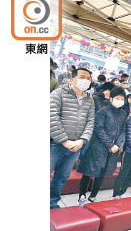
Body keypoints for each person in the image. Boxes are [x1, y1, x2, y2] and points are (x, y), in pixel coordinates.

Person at [50, 68, 95, 209]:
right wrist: (64, 140)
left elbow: (90, 121)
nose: (85, 81)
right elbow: (51, 117)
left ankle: (52, 203)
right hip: (55, 144)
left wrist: (82, 140)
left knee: (62, 177)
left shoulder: (89, 98)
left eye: (88, 78)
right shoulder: (59, 93)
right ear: (71, 79)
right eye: (82, 77)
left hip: (75, 146)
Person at [77, 87, 127, 205]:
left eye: (122, 99)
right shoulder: (103, 111)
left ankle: (93, 195)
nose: (119, 101)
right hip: (98, 147)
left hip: (113, 149)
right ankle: (82, 195)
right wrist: (110, 144)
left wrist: (118, 145)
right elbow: (98, 129)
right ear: (111, 99)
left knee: (102, 173)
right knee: (89, 172)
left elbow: (123, 131)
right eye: (117, 98)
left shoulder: (123, 113)